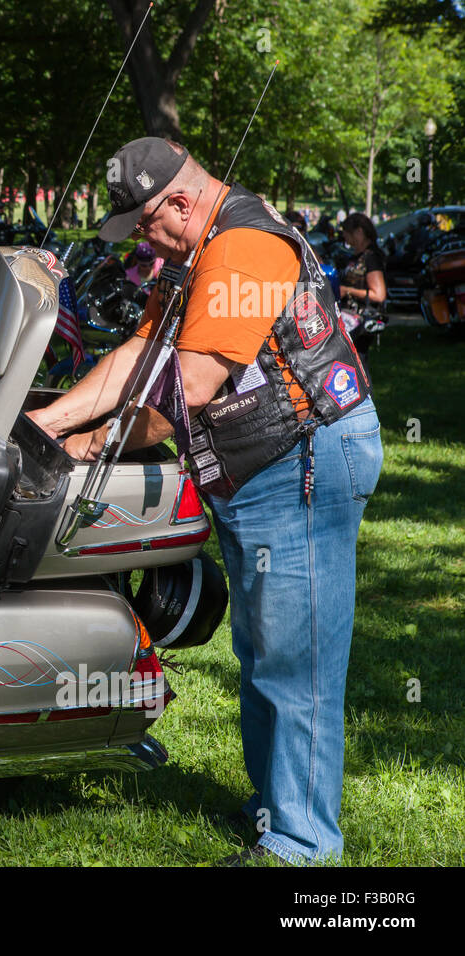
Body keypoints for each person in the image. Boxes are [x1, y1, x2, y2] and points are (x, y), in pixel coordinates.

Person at [28, 137, 383, 866]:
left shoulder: (245, 250)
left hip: (305, 463)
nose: (144, 248)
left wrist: (90, 448)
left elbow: (185, 391)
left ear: (180, 203)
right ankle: (274, 805)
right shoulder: (197, 254)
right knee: (261, 648)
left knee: (297, 660)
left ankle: (301, 845)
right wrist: (46, 423)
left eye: (147, 228)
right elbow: (137, 352)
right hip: (260, 463)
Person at [336, 213, 386, 376]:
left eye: (347, 232)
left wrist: (347, 290)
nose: (344, 236)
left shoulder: (371, 258)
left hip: (361, 321)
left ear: (359, 232)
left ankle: (364, 397)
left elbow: (378, 294)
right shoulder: (355, 257)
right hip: (349, 317)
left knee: (358, 365)